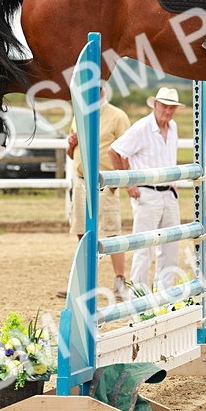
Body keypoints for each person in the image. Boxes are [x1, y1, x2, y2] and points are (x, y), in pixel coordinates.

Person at [109, 86, 186, 292]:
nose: (168, 112)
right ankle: (139, 297)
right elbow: (115, 151)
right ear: (156, 105)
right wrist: (128, 183)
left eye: (172, 108)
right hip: (147, 193)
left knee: (171, 247)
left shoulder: (174, 127)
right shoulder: (142, 127)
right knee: (144, 248)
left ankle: (165, 294)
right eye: (165, 106)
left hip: (169, 193)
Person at [63, 84, 132, 300]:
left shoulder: (117, 116)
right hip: (81, 178)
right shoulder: (79, 114)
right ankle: (84, 283)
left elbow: (127, 150)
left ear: (103, 90)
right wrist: (71, 144)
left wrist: (118, 180)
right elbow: (71, 153)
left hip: (105, 181)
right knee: (81, 230)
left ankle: (120, 280)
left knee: (111, 230)